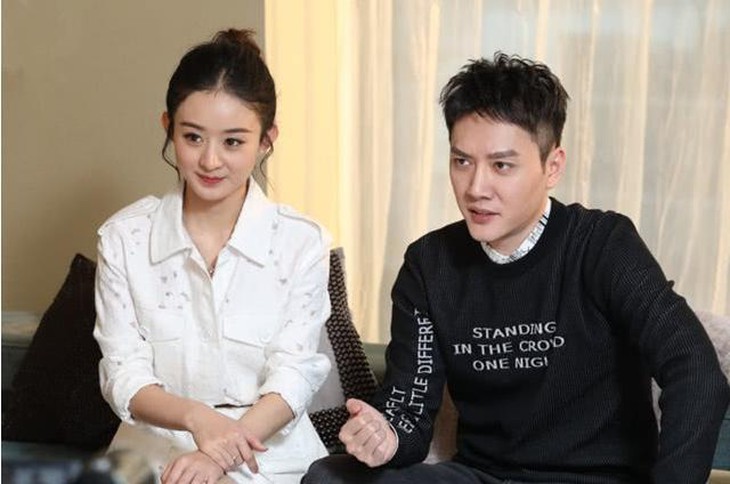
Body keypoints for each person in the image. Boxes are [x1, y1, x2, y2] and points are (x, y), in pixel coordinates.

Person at [303, 53, 730, 483]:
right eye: (462, 161)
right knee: (331, 477)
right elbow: (409, 411)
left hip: (595, 479)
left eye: (501, 165)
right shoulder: (430, 265)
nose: (476, 187)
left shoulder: (602, 245)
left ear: (552, 166)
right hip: (484, 476)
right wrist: (386, 435)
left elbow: (696, 371)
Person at [93, 29, 332, 484]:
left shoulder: (301, 243)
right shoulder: (123, 238)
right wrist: (198, 419)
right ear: (168, 127)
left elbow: (294, 374)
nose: (210, 161)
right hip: (152, 450)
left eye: (233, 142)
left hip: (268, 454)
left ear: (267, 140)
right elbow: (123, 374)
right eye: (193, 137)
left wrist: (218, 455)